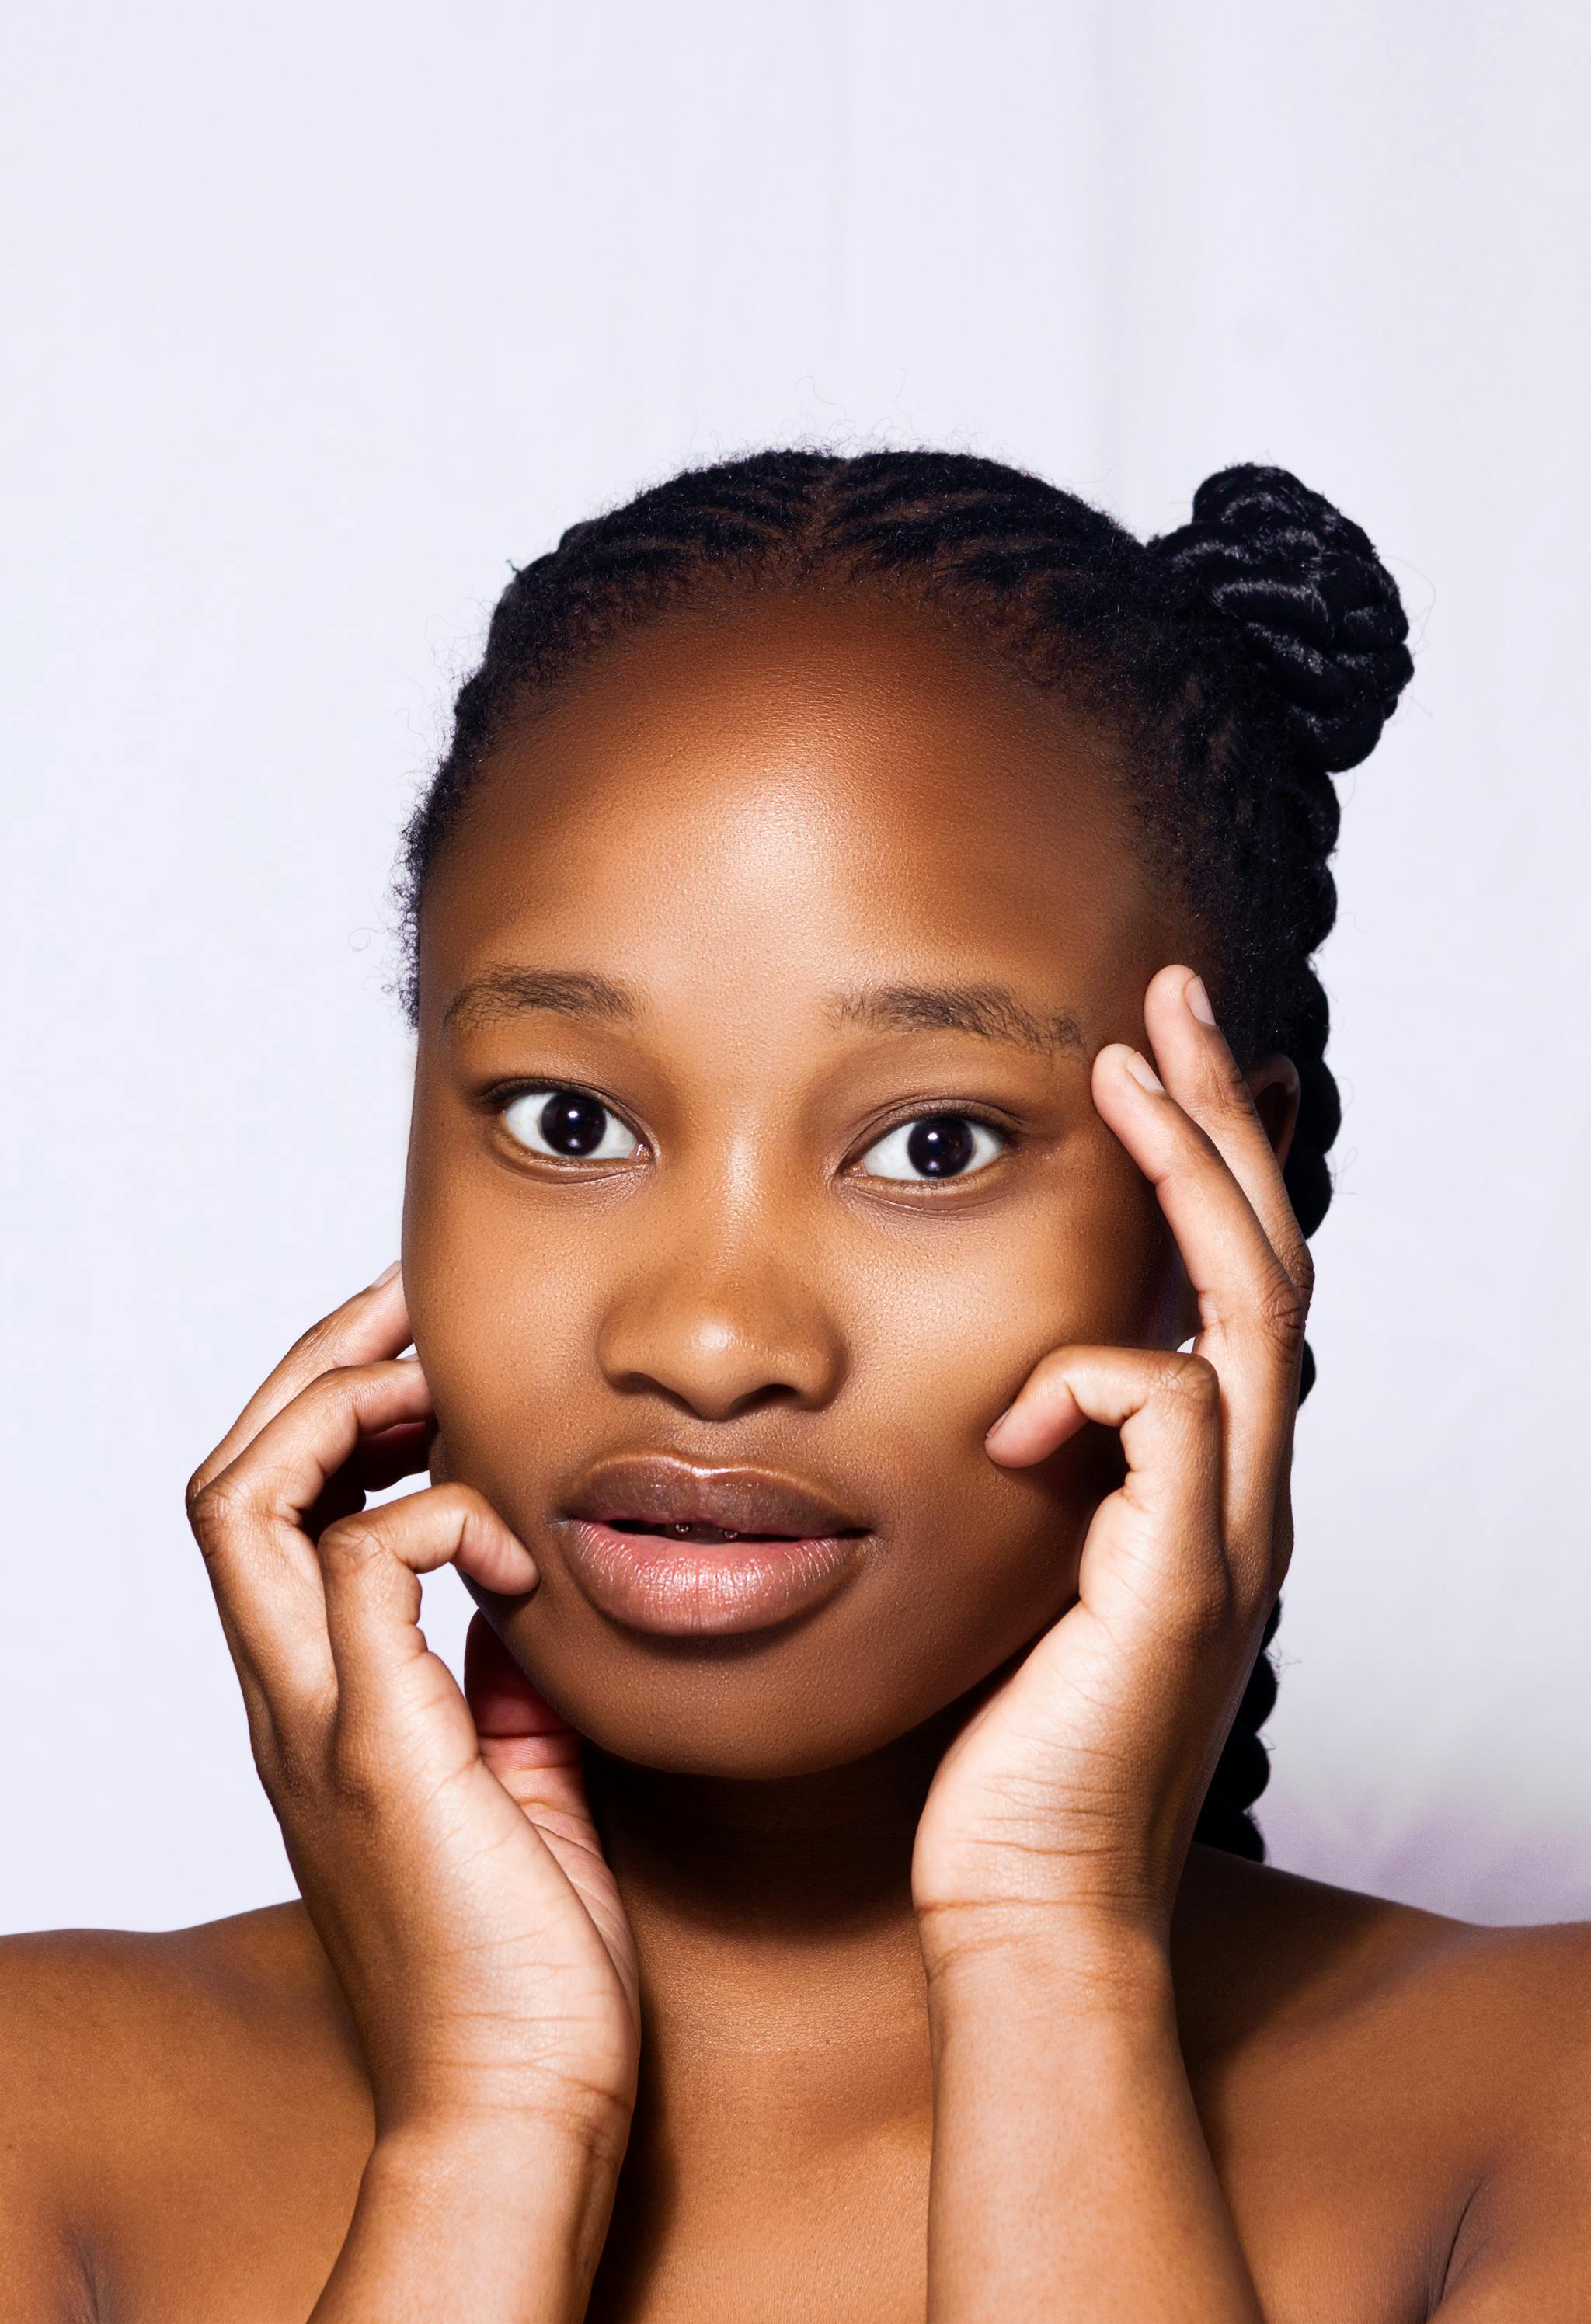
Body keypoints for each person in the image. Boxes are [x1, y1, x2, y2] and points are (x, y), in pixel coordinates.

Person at [3, 451, 1587, 2323]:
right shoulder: (51, 2116)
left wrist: (1048, 1955)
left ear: (1219, 1199)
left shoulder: (1530, 2105)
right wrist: (492, 2123)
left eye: (930, 1143)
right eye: (567, 1117)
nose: (706, 1336)